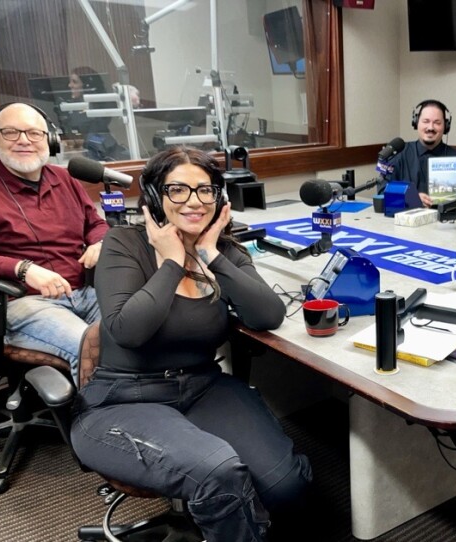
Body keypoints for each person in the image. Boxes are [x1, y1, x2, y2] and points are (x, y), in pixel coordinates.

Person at [70, 147, 312, 541]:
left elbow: (268, 314)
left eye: (205, 190)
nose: (194, 201)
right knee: (216, 471)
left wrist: (210, 254)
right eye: (178, 190)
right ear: (154, 197)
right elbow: (128, 331)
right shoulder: (123, 245)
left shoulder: (224, 250)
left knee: (285, 485)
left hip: (203, 387)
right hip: (123, 400)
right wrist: (170, 261)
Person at [0, 102, 108, 381]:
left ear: (51, 140)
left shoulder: (65, 180)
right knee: (94, 348)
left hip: (81, 291)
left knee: (136, 332)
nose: (24, 140)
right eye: (10, 132)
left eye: (34, 133)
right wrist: (24, 269)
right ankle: (101, 423)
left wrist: (98, 242)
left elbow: (96, 223)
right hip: (19, 302)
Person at [385, 99, 456, 209]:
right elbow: (383, 193)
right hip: (406, 223)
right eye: (426, 121)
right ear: (416, 123)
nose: (430, 127)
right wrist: (409, 199)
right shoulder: (400, 154)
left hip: (445, 224)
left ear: (446, 127)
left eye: (437, 123)